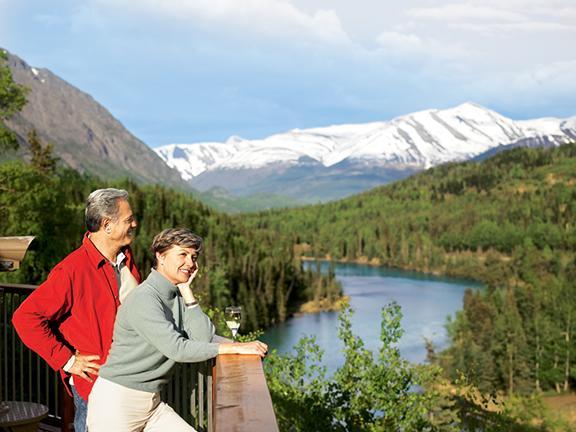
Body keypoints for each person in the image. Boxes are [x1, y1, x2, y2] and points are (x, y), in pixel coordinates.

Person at [87, 227, 268, 432]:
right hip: (116, 405)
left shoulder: (176, 295)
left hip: (152, 406)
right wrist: (234, 348)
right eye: (182, 254)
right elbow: (177, 349)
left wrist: (187, 291)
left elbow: (203, 339)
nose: (190, 263)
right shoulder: (145, 298)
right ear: (160, 256)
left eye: (194, 256)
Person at [12, 188, 140, 432]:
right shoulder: (72, 270)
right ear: (107, 225)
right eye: (128, 219)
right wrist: (68, 361)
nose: (134, 223)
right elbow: (24, 318)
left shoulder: (126, 261)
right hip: (96, 388)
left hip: (131, 382)